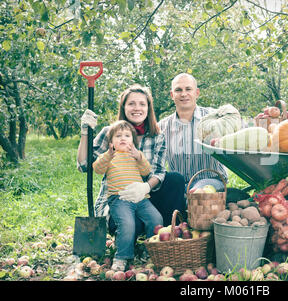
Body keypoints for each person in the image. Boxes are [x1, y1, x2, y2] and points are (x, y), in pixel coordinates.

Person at [77, 84, 186, 255]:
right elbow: (84, 165)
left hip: (145, 199)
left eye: (142, 104)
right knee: (129, 222)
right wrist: (85, 132)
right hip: (118, 199)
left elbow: (158, 172)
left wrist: (145, 187)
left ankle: (164, 240)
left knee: (175, 180)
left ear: (148, 108)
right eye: (131, 104)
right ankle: (127, 244)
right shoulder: (110, 133)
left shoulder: (157, 136)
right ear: (123, 107)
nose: (137, 108)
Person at [92, 120, 163, 271]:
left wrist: (139, 157)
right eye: (118, 136)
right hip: (120, 198)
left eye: (127, 136)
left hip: (140, 198)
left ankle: (150, 251)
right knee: (127, 224)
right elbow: (97, 168)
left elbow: (146, 171)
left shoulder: (136, 155)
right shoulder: (109, 157)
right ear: (111, 142)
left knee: (156, 219)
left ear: (133, 140)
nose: (123, 138)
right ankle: (122, 257)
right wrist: (108, 155)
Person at [158, 73, 228, 193]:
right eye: (178, 90)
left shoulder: (215, 118)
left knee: (197, 192)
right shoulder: (162, 127)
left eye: (188, 89)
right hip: (180, 185)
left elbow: (237, 132)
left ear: (197, 93)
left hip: (211, 181)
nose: (184, 94)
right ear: (172, 95)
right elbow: (156, 164)